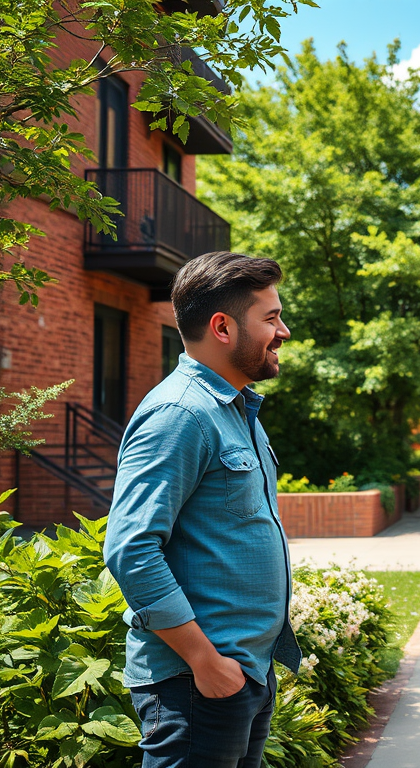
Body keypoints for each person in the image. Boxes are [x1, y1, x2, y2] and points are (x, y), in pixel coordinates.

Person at [104, 251, 299, 767]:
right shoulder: (180, 414)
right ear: (223, 327)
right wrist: (204, 661)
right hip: (195, 685)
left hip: (242, 675)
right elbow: (132, 549)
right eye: (272, 317)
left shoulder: (236, 410)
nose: (284, 330)